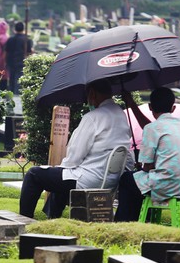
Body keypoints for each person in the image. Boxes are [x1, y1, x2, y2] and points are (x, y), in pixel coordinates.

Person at [19, 79, 133, 219]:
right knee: (60, 177)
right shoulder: (122, 116)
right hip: (110, 181)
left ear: (92, 93)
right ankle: (52, 220)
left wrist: (61, 169)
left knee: (34, 174)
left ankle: (23, 221)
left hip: (88, 180)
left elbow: (74, 157)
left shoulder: (92, 118)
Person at [114, 87, 180, 221]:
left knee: (127, 178)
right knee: (137, 181)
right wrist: (132, 104)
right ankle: (141, 219)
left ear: (150, 107)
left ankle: (124, 221)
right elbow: (153, 128)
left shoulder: (153, 128)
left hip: (165, 184)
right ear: (173, 108)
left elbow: (147, 167)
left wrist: (142, 165)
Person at [5, 21, 33, 94]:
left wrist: (5, 62)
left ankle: (10, 95)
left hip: (11, 62)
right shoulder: (26, 39)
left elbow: (6, 51)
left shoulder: (10, 39)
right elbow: (29, 52)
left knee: (11, 81)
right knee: (19, 81)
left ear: (15, 28)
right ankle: (16, 97)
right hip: (21, 62)